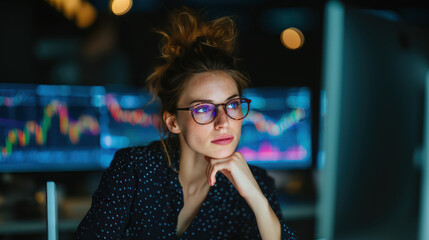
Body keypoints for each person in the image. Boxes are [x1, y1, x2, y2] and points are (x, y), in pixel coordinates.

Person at [75, 6, 298, 240]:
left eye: (232, 105)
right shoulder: (135, 169)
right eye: (203, 109)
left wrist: (257, 199)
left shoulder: (256, 182)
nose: (223, 122)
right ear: (173, 122)